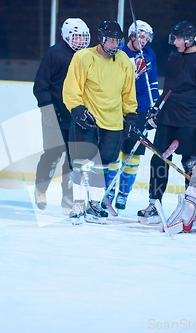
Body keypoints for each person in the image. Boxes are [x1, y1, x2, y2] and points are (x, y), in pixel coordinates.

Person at [137, 21, 196, 224]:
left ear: (190, 40)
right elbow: (169, 89)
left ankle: (193, 207)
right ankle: (154, 204)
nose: (175, 42)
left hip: (189, 120)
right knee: (158, 160)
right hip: (168, 118)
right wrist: (156, 110)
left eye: (179, 38)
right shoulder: (174, 57)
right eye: (175, 38)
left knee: (190, 164)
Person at [63, 21, 138, 224]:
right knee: (80, 164)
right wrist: (77, 109)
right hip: (87, 121)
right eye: (111, 40)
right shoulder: (83, 57)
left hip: (113, 123)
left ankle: (94, 205)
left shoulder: (124, 60)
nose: (114, 45)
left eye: (117, 41)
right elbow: (71, 87)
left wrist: (130, 115)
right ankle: (78, 204)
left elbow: (128, 92)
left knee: (102, 166)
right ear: (102, 38)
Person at [32, 18, 90, 213]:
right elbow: (41, 84)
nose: (81, 40)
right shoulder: (55, 53)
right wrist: (47, 108)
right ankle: (41, 188)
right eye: (77, 36)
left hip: (75, 115)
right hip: (54, 113)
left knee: (74, 157)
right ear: (66, 36)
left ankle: (69, 195)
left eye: (83, 36)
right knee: (53, 153)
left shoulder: (86, 56)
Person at [103, 20, 160, 211]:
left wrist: (155, 106)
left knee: (133, 154)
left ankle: (123, 193)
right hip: (118, 108)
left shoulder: (150, 55)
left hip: (141, 109)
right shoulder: (119, 53)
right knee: (114, 151)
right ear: (132, 36)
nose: (143, 41)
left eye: (146, 38)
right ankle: (109, 190)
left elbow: (152, 82)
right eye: (140, 36)